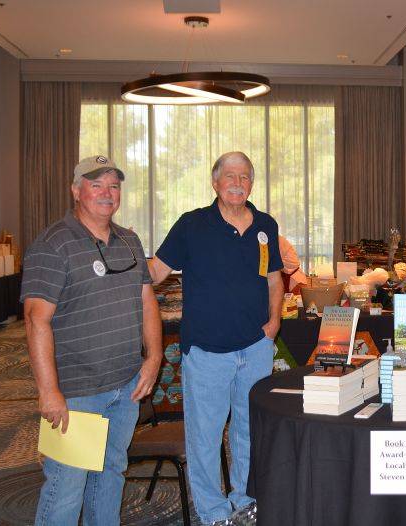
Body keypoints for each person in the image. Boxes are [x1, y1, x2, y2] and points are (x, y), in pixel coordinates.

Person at [21, 155, 162, 525]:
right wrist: (49, 391)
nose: (106, 193)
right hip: (77, 392)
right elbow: (36, 320)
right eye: (96, 184)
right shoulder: (53, 244)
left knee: (111, 473)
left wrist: (153, 358)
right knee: (67, 485)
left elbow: (146, 300)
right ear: (75, 190)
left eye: (113, 185)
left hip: (125, 386)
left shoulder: (129, 240)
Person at [148, 151, 283, 526]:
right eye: (230, 176)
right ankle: (212, 513)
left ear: (251, 184)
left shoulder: (265, 226)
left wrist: (273, 323)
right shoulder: (192, 225)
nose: (238, 183)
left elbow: (275, 278)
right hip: (207, 352)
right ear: (215, 182)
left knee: (248, 432)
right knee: (205, 439)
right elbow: (156, 271)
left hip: (255, 349)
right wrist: (113, 271)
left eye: (245, 177)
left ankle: (244, 501)